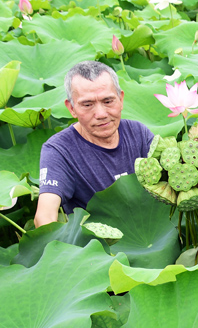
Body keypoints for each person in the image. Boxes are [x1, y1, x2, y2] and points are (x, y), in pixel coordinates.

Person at [34, 61, 154, 227]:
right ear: (71, 108)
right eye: (88, 104)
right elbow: (44, 216)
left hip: (150, 231)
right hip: (99, 246)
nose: (101, 114)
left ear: (121, 99)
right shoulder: (59, 150)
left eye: (108, 101)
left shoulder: (138, 133)